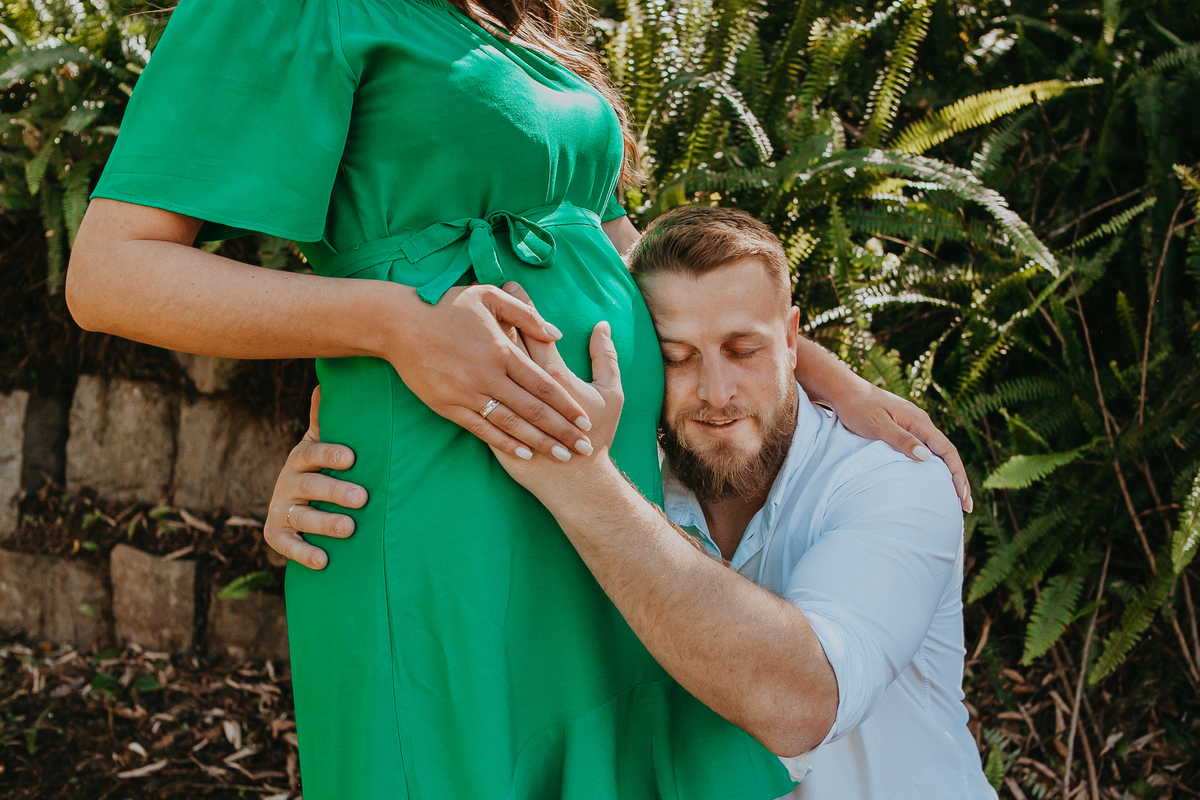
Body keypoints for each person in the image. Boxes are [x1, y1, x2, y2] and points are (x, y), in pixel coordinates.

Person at [66, 0, 969, 794]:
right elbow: (111, 274)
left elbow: (624, 255)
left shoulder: (512, 18)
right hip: (452, 493)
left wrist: (817, 373)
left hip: (597, 503)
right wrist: (395, 323)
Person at [271, 206, 994, 799]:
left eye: (743, 350)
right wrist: (337, 500)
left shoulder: (893, 480)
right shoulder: (633, 466)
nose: (716, 393)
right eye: (677, 358)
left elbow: (801, 704)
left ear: (793, 341)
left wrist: (582, 483)